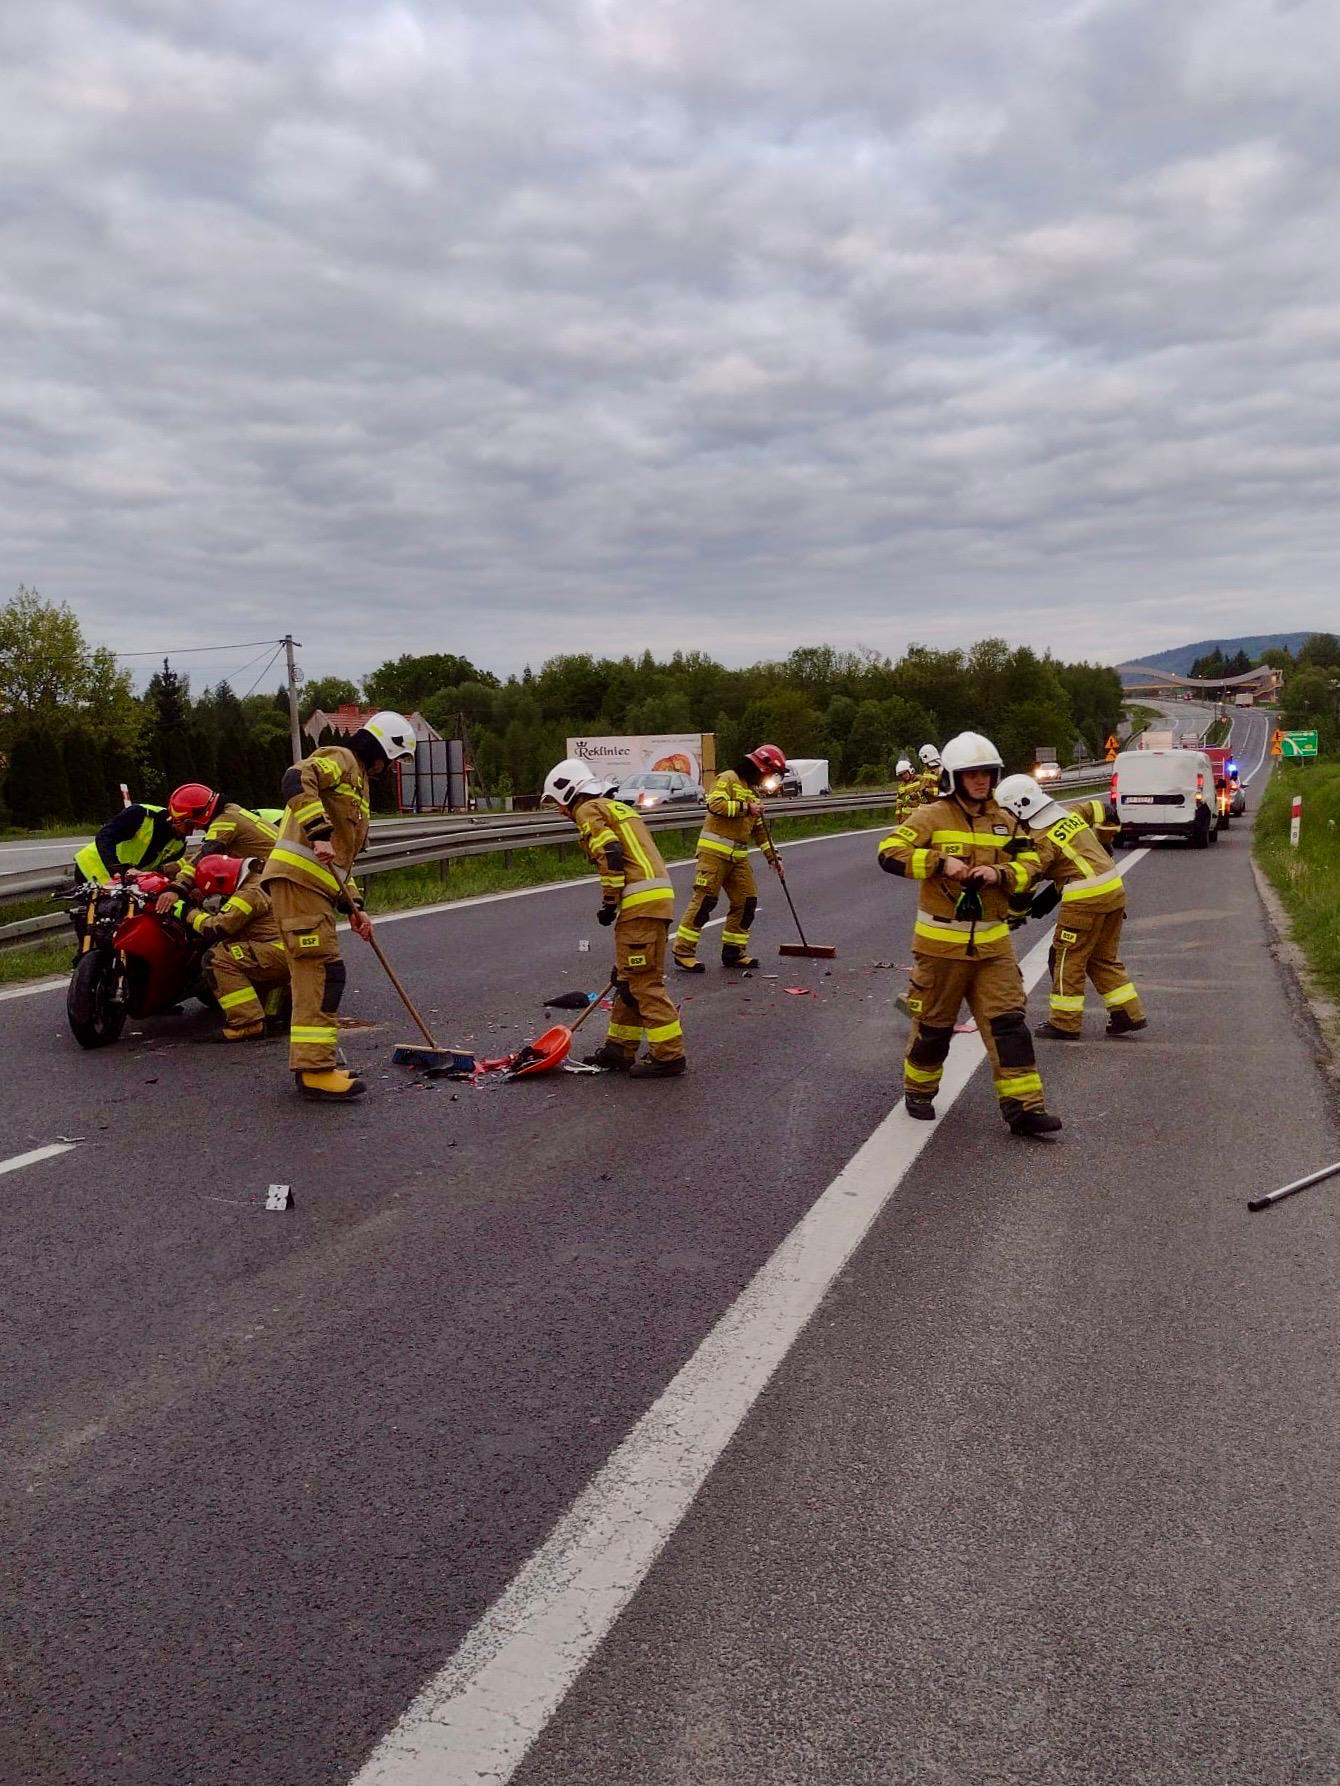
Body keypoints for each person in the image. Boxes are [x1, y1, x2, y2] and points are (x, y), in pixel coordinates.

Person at [877, 731, 1062, 1138]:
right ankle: (919, 1090)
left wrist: (1000, 873)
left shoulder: (1005, 820)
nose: (981, 780)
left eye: (987, 773)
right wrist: (939, 863)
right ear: (954, 777)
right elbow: (889, 852)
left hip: (994, 948)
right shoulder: (931, 816)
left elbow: (1032, 863)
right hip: (940, 949)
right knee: (934, 1028)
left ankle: (1025, 1108)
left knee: (1009, 1026)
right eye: (972, 774)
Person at [260, 710, 415, 1102]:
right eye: (392, 759)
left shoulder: (358, 784)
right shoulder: (342, 759)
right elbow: (296, 778)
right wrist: (319, 832)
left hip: (315, 888)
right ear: (381, 749)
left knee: (322, 972)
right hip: (299, 883)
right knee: (320, 973)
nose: (388, 769)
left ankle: (315, 1063)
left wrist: (355, 907)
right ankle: (314, 1070)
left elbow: (341, 861)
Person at [543, 757, 686, 1078]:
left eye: (558, 803)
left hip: (639, 904)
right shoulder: (617, 807)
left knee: (643, 983)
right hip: (652, 901)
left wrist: (609, 901)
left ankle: (669, 1056)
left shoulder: (587, 809)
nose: (561, 811)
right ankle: (619, 1049)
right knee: (627, 979)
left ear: (569, 792)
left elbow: (611, 853)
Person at [996, 774, 1147, 1041]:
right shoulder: (1068, 813)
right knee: (1102, 957)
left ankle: (1065, 1022)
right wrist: (1105, 843)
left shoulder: (1040, 839)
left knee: (1066, 957)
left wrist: (1014, 914)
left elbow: (1027, 878)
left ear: (1019, 808)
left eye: (1006, 813)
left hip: (1085, 900)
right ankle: (1128, 1013)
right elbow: (1103, 809)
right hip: (1113, 891)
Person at [672, 743, 786, 973]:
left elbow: (759, 830)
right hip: (714, 855)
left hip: (738, 857)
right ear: (761, 768)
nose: (770, 780)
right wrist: (746, 808)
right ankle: (683, 952)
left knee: (746, 901)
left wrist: (773, 857)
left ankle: (733, 952)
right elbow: (715, 804)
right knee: (705, 902)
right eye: (771, 774)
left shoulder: (753, 792)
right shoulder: (728, 778)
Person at [165, 854, 289, 1043]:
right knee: (237, 950)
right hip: (288, 950)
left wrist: (187, 912)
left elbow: (217, 928)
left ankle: (247, 1023)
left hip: (277, 953)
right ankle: (274, 1013)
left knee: (218, 958)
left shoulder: (248, 894)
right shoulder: (258, 880)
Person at [153, 784, 279, 911]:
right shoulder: (230, 812)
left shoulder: (224, 822)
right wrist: (166, 869)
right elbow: (199, 854)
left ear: (198, 815)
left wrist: (177, 889)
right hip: (275, 870)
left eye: (189, 823)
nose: (193, 829)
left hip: (275, 876)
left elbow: (204, 857)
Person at [73, 799, 193, 884]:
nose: (190, 833)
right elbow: (104, 837)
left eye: (195, 828)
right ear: (177, 818)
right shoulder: (141, 814)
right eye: (189, 826)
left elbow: (160, 872)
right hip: (91, 869)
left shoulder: (179, 844)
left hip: (121, 884)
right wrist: (117, 869)